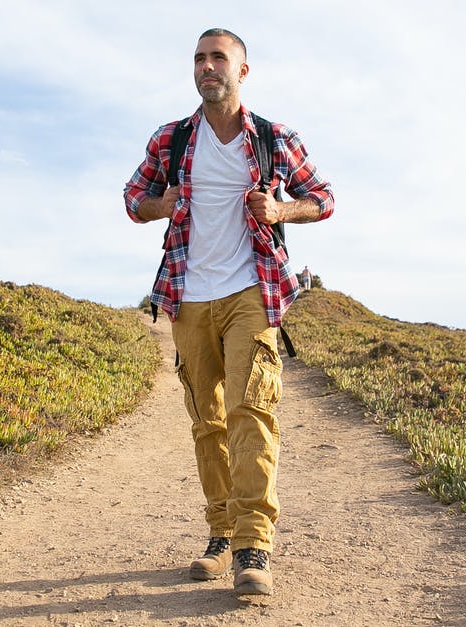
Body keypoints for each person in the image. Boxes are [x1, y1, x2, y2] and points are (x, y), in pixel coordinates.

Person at [123, 27, 334, 596]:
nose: (207, 66)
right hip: (189, 297)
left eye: (219, 58)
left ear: (243, 70)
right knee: (208, 420)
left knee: (252, 413)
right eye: (199, 58)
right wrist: (157, 205)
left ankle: (252, 545)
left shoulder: (271, 137)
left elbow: (325, 199)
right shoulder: (170, 140)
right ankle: (220, 533)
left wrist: (282, 210)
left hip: (252, 293)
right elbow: (132, 199)